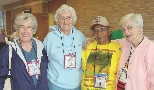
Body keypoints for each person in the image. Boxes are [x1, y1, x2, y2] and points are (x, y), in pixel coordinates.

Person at [43, 4, 87, 90]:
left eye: (68, 18)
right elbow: (43, 59)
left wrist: (92, 39)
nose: (65, 21)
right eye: (62, 18)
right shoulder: (50, 37)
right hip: (55, 84)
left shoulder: (80, 36)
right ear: (58, 20)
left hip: (76, 84)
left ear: (73, 19)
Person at [0, 12, 48, 90]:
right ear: (17, 30)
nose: (25, 31)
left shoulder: (41, 47)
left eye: (29, 27)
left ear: (34, 30)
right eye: (22, 27)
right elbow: (1, 77)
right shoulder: (8, 50)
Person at [81, 16, 122, 90]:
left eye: (102, 29)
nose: (99, 33)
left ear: (109, 31)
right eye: (95, 31)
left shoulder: (118, 48)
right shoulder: (87, 46)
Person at [116, 13, 154, 90]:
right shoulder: (125, 43)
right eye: (123, 30)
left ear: (140, 29)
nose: (126, 32)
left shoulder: (150, 48)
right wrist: (92, 40)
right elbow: (106, 41)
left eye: (130, 28)